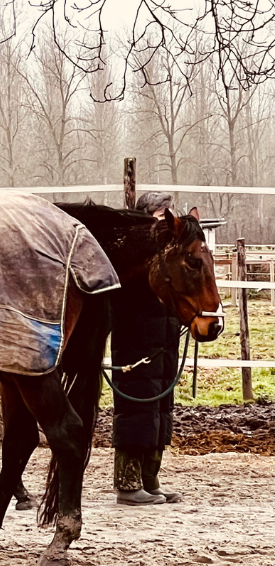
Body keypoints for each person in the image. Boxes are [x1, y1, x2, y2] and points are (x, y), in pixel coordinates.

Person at [110, 192, 183, 506]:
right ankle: (127, 483)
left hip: (165, 340)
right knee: (137, 409)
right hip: (136, 341)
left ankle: (151, 478)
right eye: (159, 214)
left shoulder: (169, 253)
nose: (165, 219)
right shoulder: (136, 255)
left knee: (161, 409)